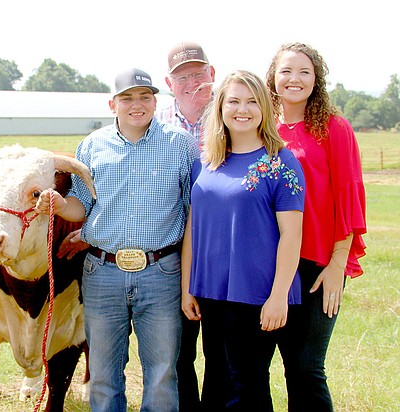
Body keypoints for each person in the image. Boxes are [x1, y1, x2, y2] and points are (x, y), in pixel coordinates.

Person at [35, 68, 199, 411]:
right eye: (127, 98)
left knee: (163, 371)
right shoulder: (92, 145)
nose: (136, 104)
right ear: (113, 103)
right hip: (103, 272)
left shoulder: (180, 144)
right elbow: (82, 206)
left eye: (144, 96)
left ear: (156, 101)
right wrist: (60, 205)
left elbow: (193, 212)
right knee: (104, 374)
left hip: (162, 270)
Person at [182, 70, 305, 411]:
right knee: (216, 381)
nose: (243, 109)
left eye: (252, 101)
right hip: (211, 291)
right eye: (234, 101)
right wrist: (187, 287)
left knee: (246, 385)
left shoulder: (282, 164)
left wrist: (278, 297)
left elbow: (292, 236)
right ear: (220, 108)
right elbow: (194, 227)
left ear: (264, 108)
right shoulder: (205, 163)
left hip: (257, 293)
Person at [266, 42, 367, 411]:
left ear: (316, 80)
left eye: (304, 72)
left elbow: (349, 195)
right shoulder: (261, 127)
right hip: (268, 266)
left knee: (306, 369)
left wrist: (338, 263)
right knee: (255, 368)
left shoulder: (333, 128)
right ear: (273, 78)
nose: (294, 79)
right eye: (286, 71)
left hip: (317, 265)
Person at [155, 41, 219, 412]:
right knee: (177, 350)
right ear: (169, 82)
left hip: (222, 246)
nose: (192, 82)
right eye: (183, 76)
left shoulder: (234, 113)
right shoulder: (155, 122)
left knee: (222, 348)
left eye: (198, 73)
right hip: (172, 247)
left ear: (212, 73)